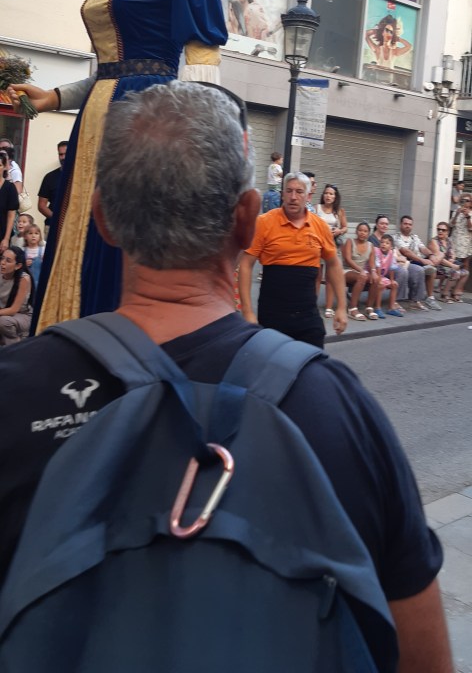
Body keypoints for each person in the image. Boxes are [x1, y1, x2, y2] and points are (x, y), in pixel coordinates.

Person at [0, 83, 453, 671]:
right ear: (246, 219)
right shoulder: (336, 406)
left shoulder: (15, 389)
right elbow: (420, 652)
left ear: (102, 218)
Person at [8, 0, 227, 331]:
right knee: (79, 230)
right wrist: (52, 98)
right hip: (94, 121)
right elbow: (111, 70)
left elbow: (200, 67)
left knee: (121, 237)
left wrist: (197, 159)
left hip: (142, 122)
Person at [239, 172, 348, 347]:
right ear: (282, 194)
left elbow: (334, 264)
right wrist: (247, 312)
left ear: (308, 196)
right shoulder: (264, 222)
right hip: (272, 317)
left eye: (299, 192)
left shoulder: (320, 226)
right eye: (288, 191)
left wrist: (342, 307)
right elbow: (246, 264)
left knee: (313, 360)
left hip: (307, 316)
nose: (293, 197)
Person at [394, 216, 442, 311]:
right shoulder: (396, 237)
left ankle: (430, 298)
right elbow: (405, 252)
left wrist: (431, 255)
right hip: (405, 263)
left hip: (417, 261)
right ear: (400, 225)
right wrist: (423, 261)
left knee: (432, 270)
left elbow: (423, 248)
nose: (408, 226)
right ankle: (415, 300)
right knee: (419, 270)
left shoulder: (414, 237)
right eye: (405, 224)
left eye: (410, 224)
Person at [315, 183, 347, 317]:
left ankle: (329, 307)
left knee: (330, 277)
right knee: (317, 276)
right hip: (318, 246)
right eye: (326, 193)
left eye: (331, 194)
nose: (328, 196)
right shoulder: (317, 208)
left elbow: (345, 227)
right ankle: (313, 305)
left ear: (335, 197)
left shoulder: (339, 211)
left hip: (332, 246)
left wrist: (339, 231)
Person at [342, 222, 379, 321]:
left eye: (365, 231)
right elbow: (348, 259)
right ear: (356, 231)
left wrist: (373, 272)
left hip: (360, 272)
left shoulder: (370, 245)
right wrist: (361, 270)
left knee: (375, 279)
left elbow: (372, 263)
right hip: (346, 271)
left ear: (368, 233)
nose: (362, 233)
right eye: (360, 230)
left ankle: (369, 307)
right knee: (362, 276)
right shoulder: (350, 241)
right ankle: (352, 309)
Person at [0, 246, 34, 345]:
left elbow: (13, 310)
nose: (2, 263)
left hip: (22, 315)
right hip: (4, 312)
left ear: (18, 266)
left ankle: (16, 346)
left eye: (8, 261)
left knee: (3, 321)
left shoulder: (24, 279)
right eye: (2, 258)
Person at [428, 222, 468, 303]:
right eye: (438, 229)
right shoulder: (434, 241)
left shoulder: (449, 241)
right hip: (437, 265)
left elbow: (453, 253)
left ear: (447, 232)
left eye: (443, 230)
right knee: (454, 272)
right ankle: (444, 295)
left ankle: (455, 293)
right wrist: (452, 265)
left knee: (466, 273)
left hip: (447, 264)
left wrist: (452, 258)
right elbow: (439, 259)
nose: (440, 231)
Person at [37, 140, 68, 236]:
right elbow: (42, 205)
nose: (63, 157)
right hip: (52, 227)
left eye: (66, 154)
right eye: (60, 154)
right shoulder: (50, 177)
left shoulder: (81, 178)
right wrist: (57, 219)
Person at [373, 234, 404, 317]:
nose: (384, 244)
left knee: (394, 285)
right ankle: (377, 308)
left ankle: (391, 308)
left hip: (382, 276)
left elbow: (392, 268)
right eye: (382, 242)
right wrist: (379, 280)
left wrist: (392, 280)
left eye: (387, 243)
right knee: (381, 285)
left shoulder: (391, 254)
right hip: (374, 275)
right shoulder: (376, 251)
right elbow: (377, 266)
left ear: (391, 247)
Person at [0, 151, 18, 256]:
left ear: (4, 167)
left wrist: (6, 239)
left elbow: (11, 215)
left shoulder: (10, 188)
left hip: (2, 234)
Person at [449, 193, 472, 277]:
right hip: (454, 240)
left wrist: (468, 217)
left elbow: (470, 228)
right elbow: (451, 225)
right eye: (463, 200)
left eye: (467, 200)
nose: (465, 202)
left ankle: (461, 282)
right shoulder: (456, 211)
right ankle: (450, 280)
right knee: (452, 261)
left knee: (465, 264)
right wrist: (456, 214)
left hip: (465, 242)